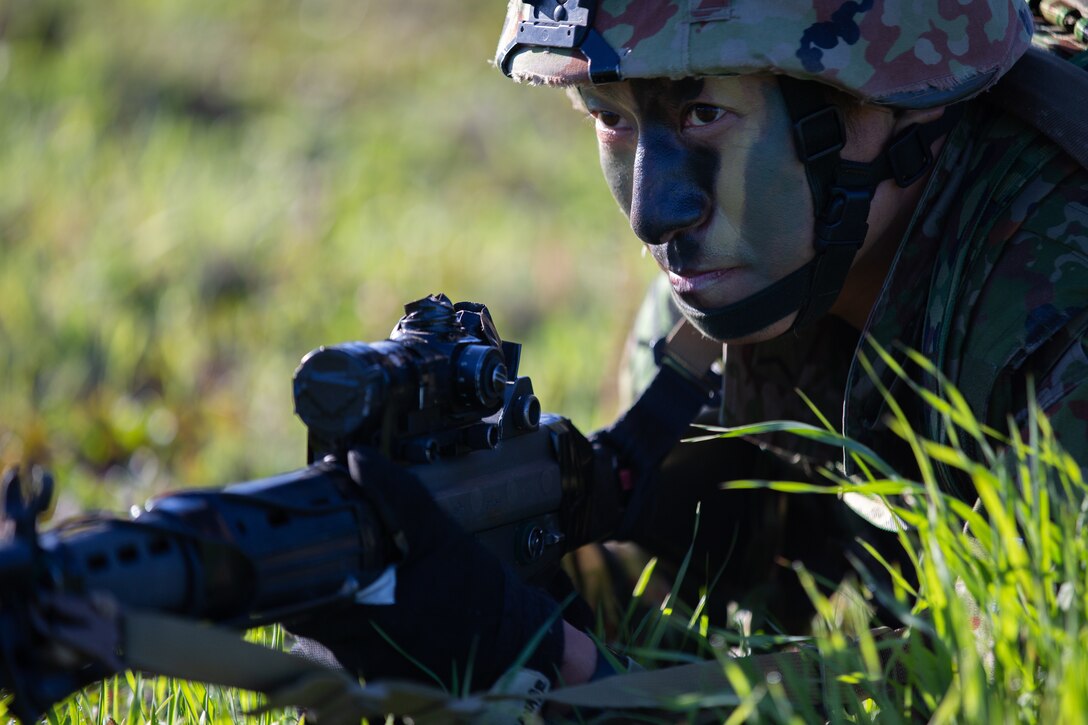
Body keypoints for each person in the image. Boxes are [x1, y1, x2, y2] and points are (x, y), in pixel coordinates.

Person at [291, 0, 1088, 702]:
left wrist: (561, 669)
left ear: (895, 95)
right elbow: (665, 607)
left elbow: (1016, 687)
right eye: (611, 116)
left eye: (703, 114)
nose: (653, 212)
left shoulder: (1063, 295)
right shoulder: (743, 297)